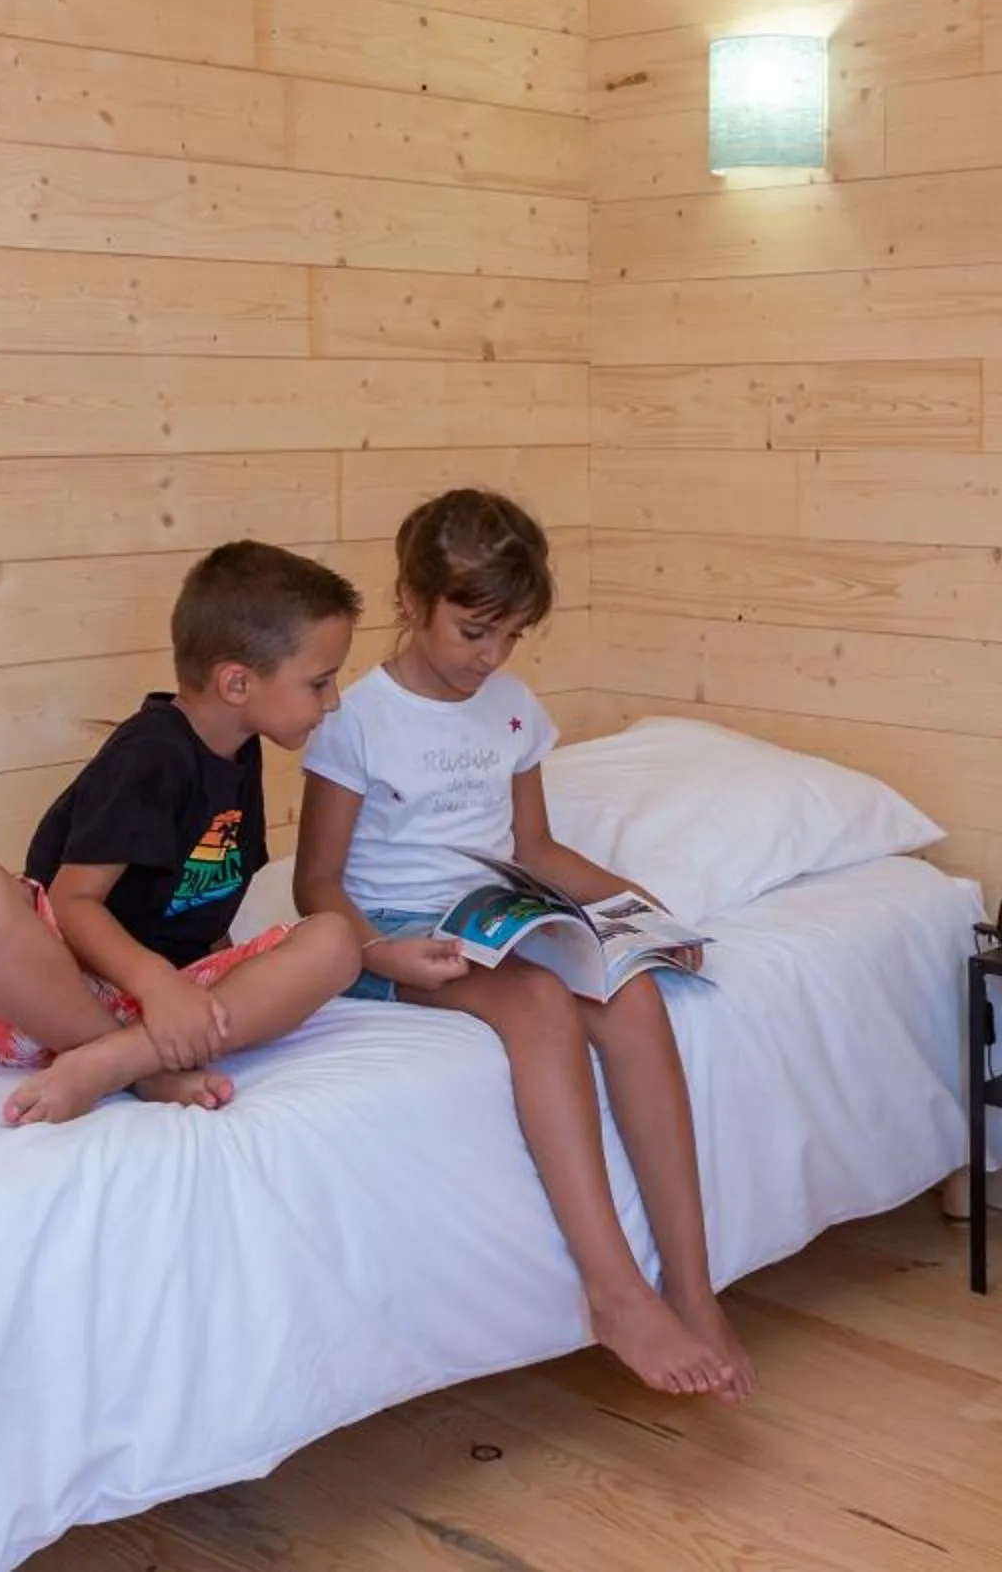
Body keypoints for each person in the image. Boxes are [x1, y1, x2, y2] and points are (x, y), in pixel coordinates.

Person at [294, 490, 755, 1402]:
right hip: (395, 934)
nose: (491, 657)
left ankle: (695, 1292)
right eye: (473, 631)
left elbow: (533, 850)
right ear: (412, 597)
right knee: (540, 1004)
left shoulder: (510, 707)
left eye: (511, 637)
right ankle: (616, 1293)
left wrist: (637, 912)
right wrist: (379, 953)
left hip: (495, 911)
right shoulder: (357, 719)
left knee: (629, 991)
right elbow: (317, 885)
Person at [0, 541, 363, 1128]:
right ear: (236, 684)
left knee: (335, 942)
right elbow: (71, 904)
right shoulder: (150, 755)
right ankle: (136, 1064)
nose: (332, 702)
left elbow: (204, 905)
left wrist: (207, 991)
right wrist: (157, 987)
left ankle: (118, 1061)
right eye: (320, 682)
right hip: (64, 993)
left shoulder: (240, 751)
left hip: (170, 1005)